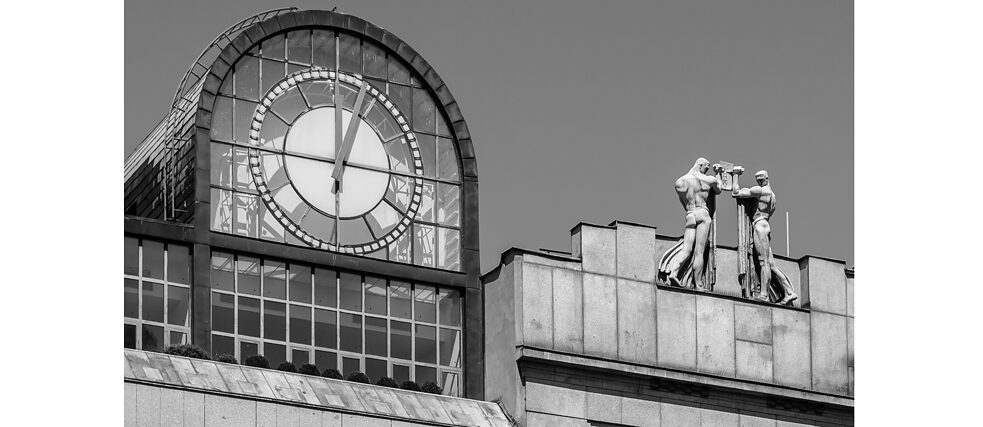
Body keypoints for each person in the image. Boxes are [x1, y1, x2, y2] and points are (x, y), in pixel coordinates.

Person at [732, 170, 798, 304]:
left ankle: (764, 295)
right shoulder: (772, 196)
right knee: (771, 264)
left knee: (764, 263)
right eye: (758, 180)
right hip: (766, 225)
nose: (759, 182)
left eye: (760, 179)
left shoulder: (760, 191)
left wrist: (735, 175)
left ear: (766, 179)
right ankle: (789, 292)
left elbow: (736, 193)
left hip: (759, 226)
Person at [658, 158, 722, 291]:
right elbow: (719, 189)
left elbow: (683, 202)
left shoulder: (681, 181)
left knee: (686, 250)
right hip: (703, 214)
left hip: (690, 214)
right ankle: (698, 285)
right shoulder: (708, 179)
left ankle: (674, 273)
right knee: (699, 252)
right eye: (706, 167)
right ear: (700, 166)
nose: (706, 170)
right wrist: (718, 174)